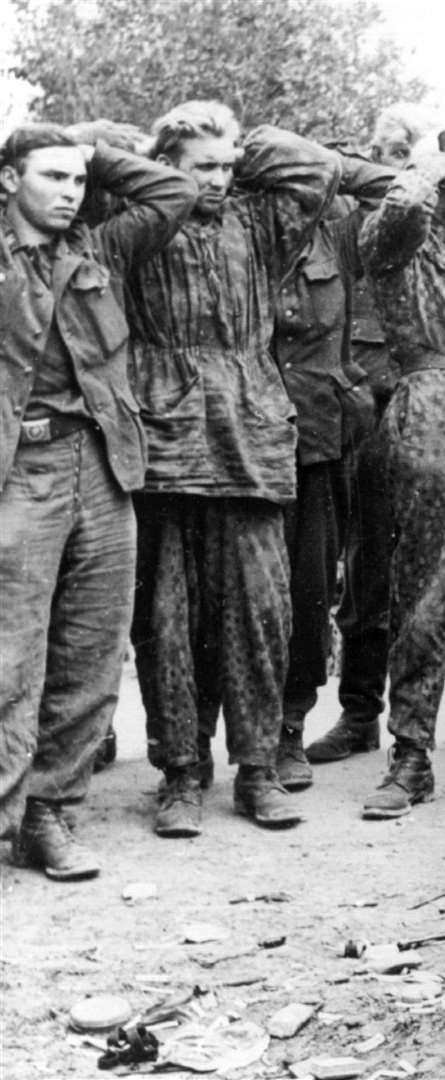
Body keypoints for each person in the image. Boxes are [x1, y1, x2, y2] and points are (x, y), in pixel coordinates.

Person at [128, 102, 340, 837]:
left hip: (250, 437)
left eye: (227, 168)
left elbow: (319, 169)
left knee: (259, 611)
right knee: (168, 618)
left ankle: (256, 768)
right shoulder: (140, 225)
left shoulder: (259, 223)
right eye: (203, 167)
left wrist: (242, 148)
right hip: (168, 437)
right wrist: (159, 171)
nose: (218, 181)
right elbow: (97, 162)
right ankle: (181, 773)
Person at [0, 122, 194, 876]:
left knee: (91, 650)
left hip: (102, 465)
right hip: (20, 470)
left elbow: (171, 190)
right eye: (51, 177)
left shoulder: (100, 249)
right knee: (11, 654)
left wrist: (92, 149)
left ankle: (51, 814)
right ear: (10, 180)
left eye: (77, 181)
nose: (69, 193)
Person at [309, 104, 445, 771]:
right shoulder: (402, 240)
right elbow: (396, 212)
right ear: (441, 182)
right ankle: (404, 745)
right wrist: (427, 164)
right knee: (413, 584)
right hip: (421, 414)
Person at [271, 156, 396, 793]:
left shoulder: (338, 229)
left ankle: (289, 727)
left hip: (317, 435)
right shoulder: (244, 226)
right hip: (243, 438)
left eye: (313, 183)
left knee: (308, 589)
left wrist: (335, 165)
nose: (304, 194)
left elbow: (398, 193)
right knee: (241, 597)